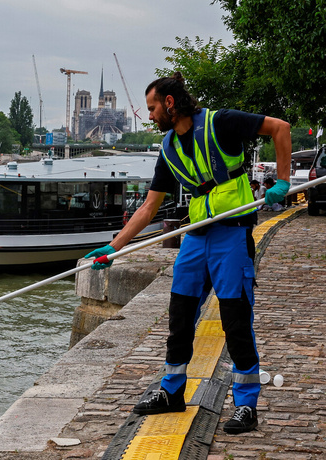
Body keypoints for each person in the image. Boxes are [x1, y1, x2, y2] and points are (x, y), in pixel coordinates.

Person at [85, 72, 291, 434]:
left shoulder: (221, 122)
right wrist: (114, 248)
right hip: (195, 237)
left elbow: (280, 128)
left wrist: (284, 181)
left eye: (151, 108)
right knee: (179, 317)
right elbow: (149, 207)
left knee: (235, 320)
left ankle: (246, 404)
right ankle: (171, 393)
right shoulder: (168, 148)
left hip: (232, 234)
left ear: (169, 103)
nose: (148, 116)